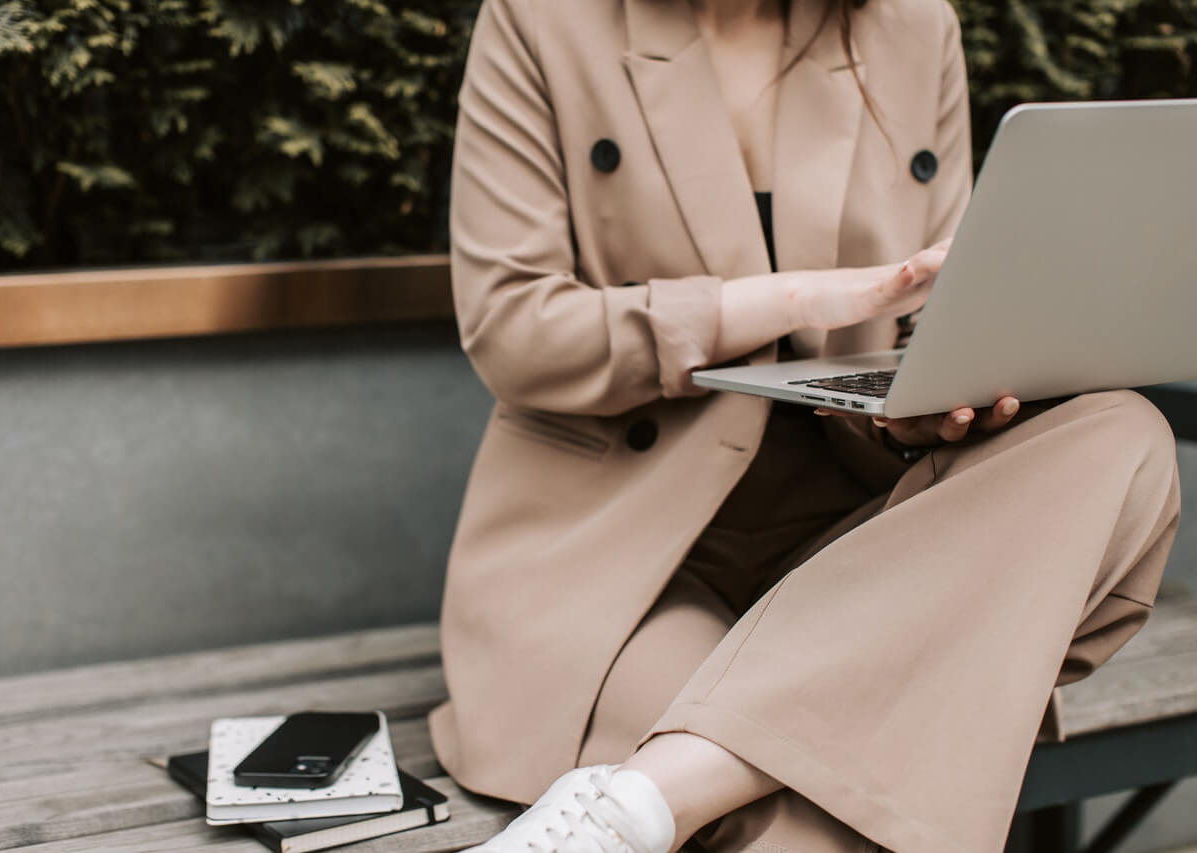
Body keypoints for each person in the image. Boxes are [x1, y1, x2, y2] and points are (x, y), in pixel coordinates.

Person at [428, 0, 1182, 850]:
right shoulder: (543, 21)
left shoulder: (911, 25)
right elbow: (514, 329)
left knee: (1125, 435)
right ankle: (650, 795)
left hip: (858, 540)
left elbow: (939, 306)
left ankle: (635, 799)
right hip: (618, 549)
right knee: (808, 803)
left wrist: (935, 400)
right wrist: (802, 297)